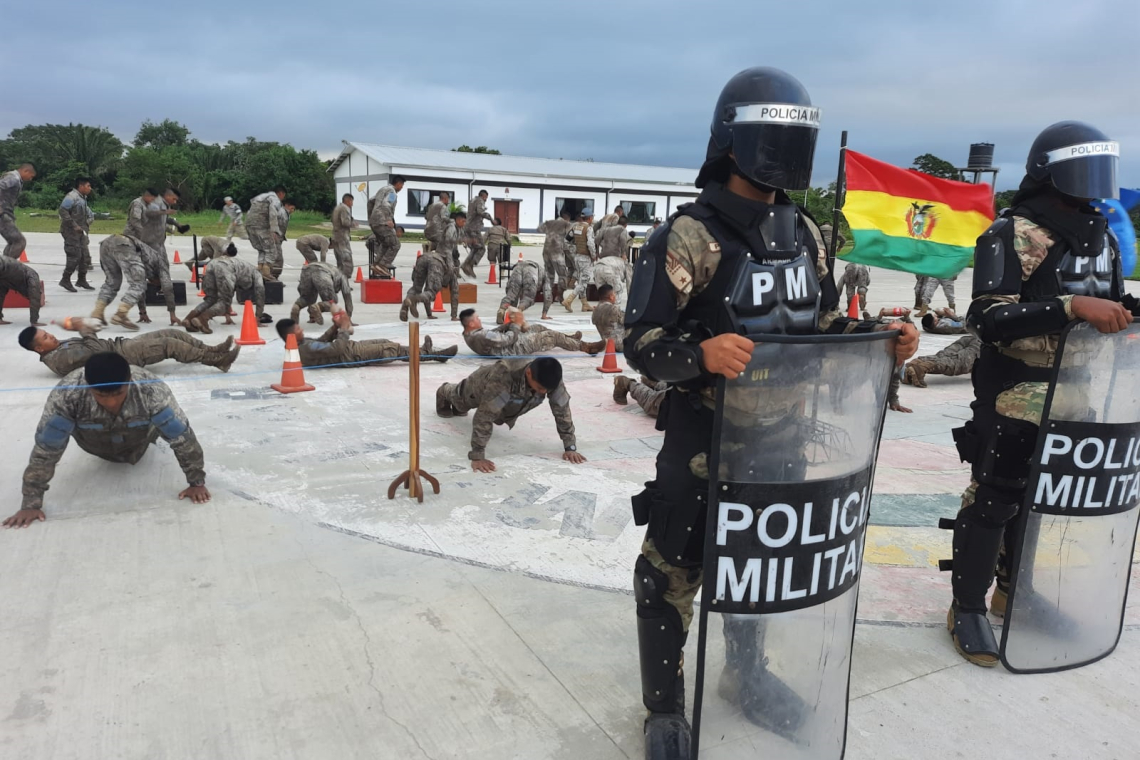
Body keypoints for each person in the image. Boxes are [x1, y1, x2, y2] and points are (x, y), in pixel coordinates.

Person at [621, 67, 918, 752]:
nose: (784, 150)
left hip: (782, 442)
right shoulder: (689, 235)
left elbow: (811, 326)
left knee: (758, 567)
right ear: (733, 138)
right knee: (672, 570)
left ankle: (745, 678)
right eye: (772, 132)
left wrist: (880, 339)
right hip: (705, 438)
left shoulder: (804, 231)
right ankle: (665, 707)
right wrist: (700, 356)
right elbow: (641, 342)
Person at [943, 120, 1139, 667]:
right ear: (1050, 172)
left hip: (1080, 387)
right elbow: (987, 315)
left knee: (1046, 498)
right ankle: (967, 608)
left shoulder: (1099, 234)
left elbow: (1112, 301)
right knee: (995, 497)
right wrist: (1071, 308)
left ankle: (1016, 593)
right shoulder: (1015, 232)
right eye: (1084, 168)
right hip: (1015, 390)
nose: (1094, 182)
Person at [3, 353, 210, 529]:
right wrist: (31, 503)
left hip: (141, 440)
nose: (111, 402)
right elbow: (46, 450)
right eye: (101, 395)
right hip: (95, 445)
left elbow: (183, 438)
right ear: (88, 385)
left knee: (169, 425)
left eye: (119, 393)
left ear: (129, 379)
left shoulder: (151, 390)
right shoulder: (68, 394)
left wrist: (196, 482)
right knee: (53, 433)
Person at [435, 356, 585, 473]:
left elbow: (562, 408)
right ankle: (443, 391)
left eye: (546, 390)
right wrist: (478, 455)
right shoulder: (504, 374)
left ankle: (456, 405)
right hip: (479, 386)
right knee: (460, 401)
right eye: (540, 388)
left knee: (462, 410)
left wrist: (570, 446)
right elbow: (485, 415)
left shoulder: (550, 377)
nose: (544, 393)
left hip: (509, 398)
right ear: (528, 373)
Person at [19, 323, 239, 376]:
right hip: (123, 355)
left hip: (121, 345)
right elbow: (96, 353)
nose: (52, 336)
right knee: (169, 344)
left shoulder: (57, 348)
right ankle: (217, 360)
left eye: (48, 333)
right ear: (39, 348)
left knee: (172, 332)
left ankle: (214, 350)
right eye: (46, 337)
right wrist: (86, 331)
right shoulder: (60, 359)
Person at [275, 316, 455, 369]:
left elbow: (321, 342)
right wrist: (344, 330)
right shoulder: (303, 349)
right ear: (290, 334)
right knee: (390, 350)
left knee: (387, 342)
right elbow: (336, 349)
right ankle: (434, 355)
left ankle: (424, 351)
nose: (302, 330)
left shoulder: (299, 345)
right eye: (298, 329)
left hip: (352, 349)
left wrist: (335, 327)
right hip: (353, 355)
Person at [91, 234, 180, 331]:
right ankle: (121, 314)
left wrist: (143, 312)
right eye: (157, 284)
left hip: (106, 244)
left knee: (112, 282)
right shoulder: (162, 265)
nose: (153, 284)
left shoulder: (150, 268)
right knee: (139, 284)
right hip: (124, 245)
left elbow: (140, 291)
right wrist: (173, 314)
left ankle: (97, 313)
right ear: (160, 280)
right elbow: (168, 288)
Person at [183, 242, 265, 333]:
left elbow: (229, 290)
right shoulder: (258, 274)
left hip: (212, 264)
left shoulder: (245, 268)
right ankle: (203, 318)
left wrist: (227, 316)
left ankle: (188, 319)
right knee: (224, 302)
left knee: (210, 299)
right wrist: (258, 317)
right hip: (226, 268)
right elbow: (260, 295)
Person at [400, 212, 464, 322]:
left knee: (417, 288)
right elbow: (455, 293)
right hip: (437, 261)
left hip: (425, 257)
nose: (464, 223)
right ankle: (413, 299)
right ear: (458, 220)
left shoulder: (444, 228)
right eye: (463, 221)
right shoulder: (452, 229)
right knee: (431, 292)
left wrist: (429, 314)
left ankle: (407, 303)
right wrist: (454, 316)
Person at [460, 308, 603, 356]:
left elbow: (493, 335)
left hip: (508, 345)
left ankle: (569, 339)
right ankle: (586, 347)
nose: (480, 320)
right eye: (477, 319)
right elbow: (508, 340)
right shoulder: (481, 335)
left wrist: (507, 325)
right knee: (551, 337)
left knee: (537, 327)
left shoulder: (470, 334)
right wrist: (515, 324)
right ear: (472, 323)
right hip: (515, 348)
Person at [58, 177, 96, 292]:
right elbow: (63, 210)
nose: (90, 188)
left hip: (81, 232)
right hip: (71, 232)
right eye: (88, 186)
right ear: (81, 186)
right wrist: (73, 225)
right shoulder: (71, 197)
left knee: (84, 256)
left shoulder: (82, 198)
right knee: (74, 256)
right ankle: (65, 279)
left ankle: (81, 280)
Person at [903, 335, 981, 388]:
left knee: (943, 356)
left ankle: (917, 362)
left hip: (973, 337)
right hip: (983, 343)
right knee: (960, 363)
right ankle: (922, 367)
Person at [291, 260, 353, 325]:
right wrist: (348, 317)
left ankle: (296, 307)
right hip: (322, 273)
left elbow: (300, 289)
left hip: (307, 270)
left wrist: (311, 314)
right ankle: (319, 306)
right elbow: (347, 296)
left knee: (307, 298)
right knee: (332, 302)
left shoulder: (334, 270)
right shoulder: (343, 277)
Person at [247, 186, 287, 281]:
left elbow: (250, 211)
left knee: (262, 249)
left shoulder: (259, 197)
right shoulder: (274, 198)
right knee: (272, 251)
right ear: (281, 193)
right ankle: (266, 273)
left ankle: (260, 268)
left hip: (250, 225)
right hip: (262, 226)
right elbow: (273, 213)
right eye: (283, 196)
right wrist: (274, 230)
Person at [368, 175, 405, 277]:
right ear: (398, 184)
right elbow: (386, 204)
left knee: (385, 244)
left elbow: (370, 201)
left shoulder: (382, 190)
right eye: (401, 186)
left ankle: (376, 265)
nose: (401, 188)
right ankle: (382, 265)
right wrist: (387, 220)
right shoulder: (392, 192)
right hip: (382, 222)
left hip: (374, 222)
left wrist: (371, 218)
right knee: (395, 244)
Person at [496, 258, 552, 323]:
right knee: (528, 298)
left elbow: (509, 290)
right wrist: (544, 314)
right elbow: (548, 295)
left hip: (517, 268)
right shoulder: (545, 275)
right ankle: (517, 312)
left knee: (511, 295)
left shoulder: (541, 272)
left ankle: (501, 310)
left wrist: (509, 306)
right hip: (531, 271)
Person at [563, 210, 597, 312]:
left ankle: (585, 304)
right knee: (584, 282)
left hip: (577, 257)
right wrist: (594, 255)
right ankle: (569, 300)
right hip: (586, 258)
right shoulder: (589, 228)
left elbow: (566, 240)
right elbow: (590, 244)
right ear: (590, 218)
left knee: (581, 280)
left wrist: (574, 251)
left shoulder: (575, 226)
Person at [0, 162, 35, 259]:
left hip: (6, 213)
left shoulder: (15, 178)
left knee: (13, 242)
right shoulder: (13, 178)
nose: (30, 179)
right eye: (30, 176)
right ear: (25, 171)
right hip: (2, 214)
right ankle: (8, 269)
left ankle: (5, 266)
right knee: (19, 242)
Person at [143, 188, 188, 259]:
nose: (175, 202)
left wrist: (178, 225)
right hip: (151, 241)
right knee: (153, 265)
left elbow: (163, 219)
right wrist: (165, 212)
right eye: (174, 199)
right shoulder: (157, 202)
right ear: (168, 196)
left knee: (163, 265)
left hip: (159, 241)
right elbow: (149, 213)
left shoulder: (165, 205)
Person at [0, 255, 44, 326]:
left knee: (0, 294)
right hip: (6, 269)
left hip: (5, 276)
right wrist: (34, 320)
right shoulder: (32, 276)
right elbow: (35, 299)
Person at [461, 189, 494, 278]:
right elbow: (480, 212)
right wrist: (491, 219)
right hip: (474, 228)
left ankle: (467, 266)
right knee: (482, 248)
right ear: (483, 196)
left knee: (475, 248)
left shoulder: (472, 200)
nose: (486, 200)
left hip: (467, 227)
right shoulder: (480, 201)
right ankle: (469, 265)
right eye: (486, 198)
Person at [539, 211, 573, 294]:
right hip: (557, 253)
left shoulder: (549, 222)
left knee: (549, 274)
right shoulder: (566, 224)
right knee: (562, 275)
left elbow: (539, 229)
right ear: (567, 217)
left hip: (546, 252)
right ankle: (560, 296)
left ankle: (548, 294)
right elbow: (571, 236)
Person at [591, 284, 625, 350]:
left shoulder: (595, 311)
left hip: (607, 344)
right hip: (620, 344)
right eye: (614, 294)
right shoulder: (614, 308)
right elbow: (628, 321)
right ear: (611, 297)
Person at [331, 193, 356, 275]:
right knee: (346, 259)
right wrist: (353, 224)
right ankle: (345, 279)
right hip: (342, 237)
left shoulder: (337, 208)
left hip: (335, 236)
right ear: (348, 201)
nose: (352, 204)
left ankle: (339, 279)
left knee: (339, 260)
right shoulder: (345, 208)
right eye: (352, 201)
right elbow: (345, 222)